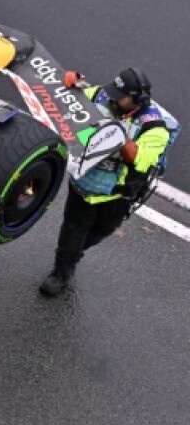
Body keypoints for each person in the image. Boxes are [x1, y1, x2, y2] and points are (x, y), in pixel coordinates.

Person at [39, 67, 173, 296]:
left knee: (102, 231)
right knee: (73, 229)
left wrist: (117, 134)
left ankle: (73, 253)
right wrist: (70, 83)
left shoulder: (156, 129)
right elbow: (70, 97)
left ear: (138, 100)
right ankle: (61, 271)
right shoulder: (102, 96)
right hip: (83, 184)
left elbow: (138, 159)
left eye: (119, 95)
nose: (111, 97)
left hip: (116, 195)